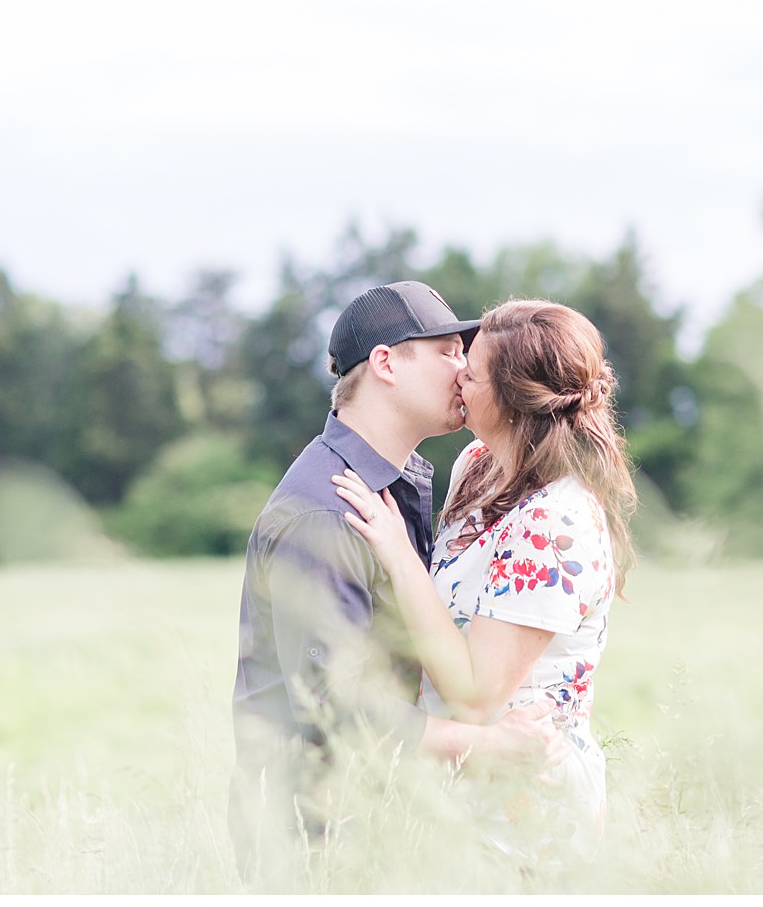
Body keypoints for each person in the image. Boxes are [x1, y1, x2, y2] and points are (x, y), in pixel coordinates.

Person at [229, 281, 566, 886]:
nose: (463, 367)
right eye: (445, 351)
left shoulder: (398, 481)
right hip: (315, 842)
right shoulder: (326, 514)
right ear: (386, 362)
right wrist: (490, 746)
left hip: (371, 825)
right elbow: (335, 712)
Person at [331, 298, 637, 857]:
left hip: (523, 809)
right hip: (449, 792)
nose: (457, 379)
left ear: (512, 398)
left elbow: (473, 694)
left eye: (469, 373)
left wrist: (398, 552)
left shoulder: (555, 523)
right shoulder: (478, 466)